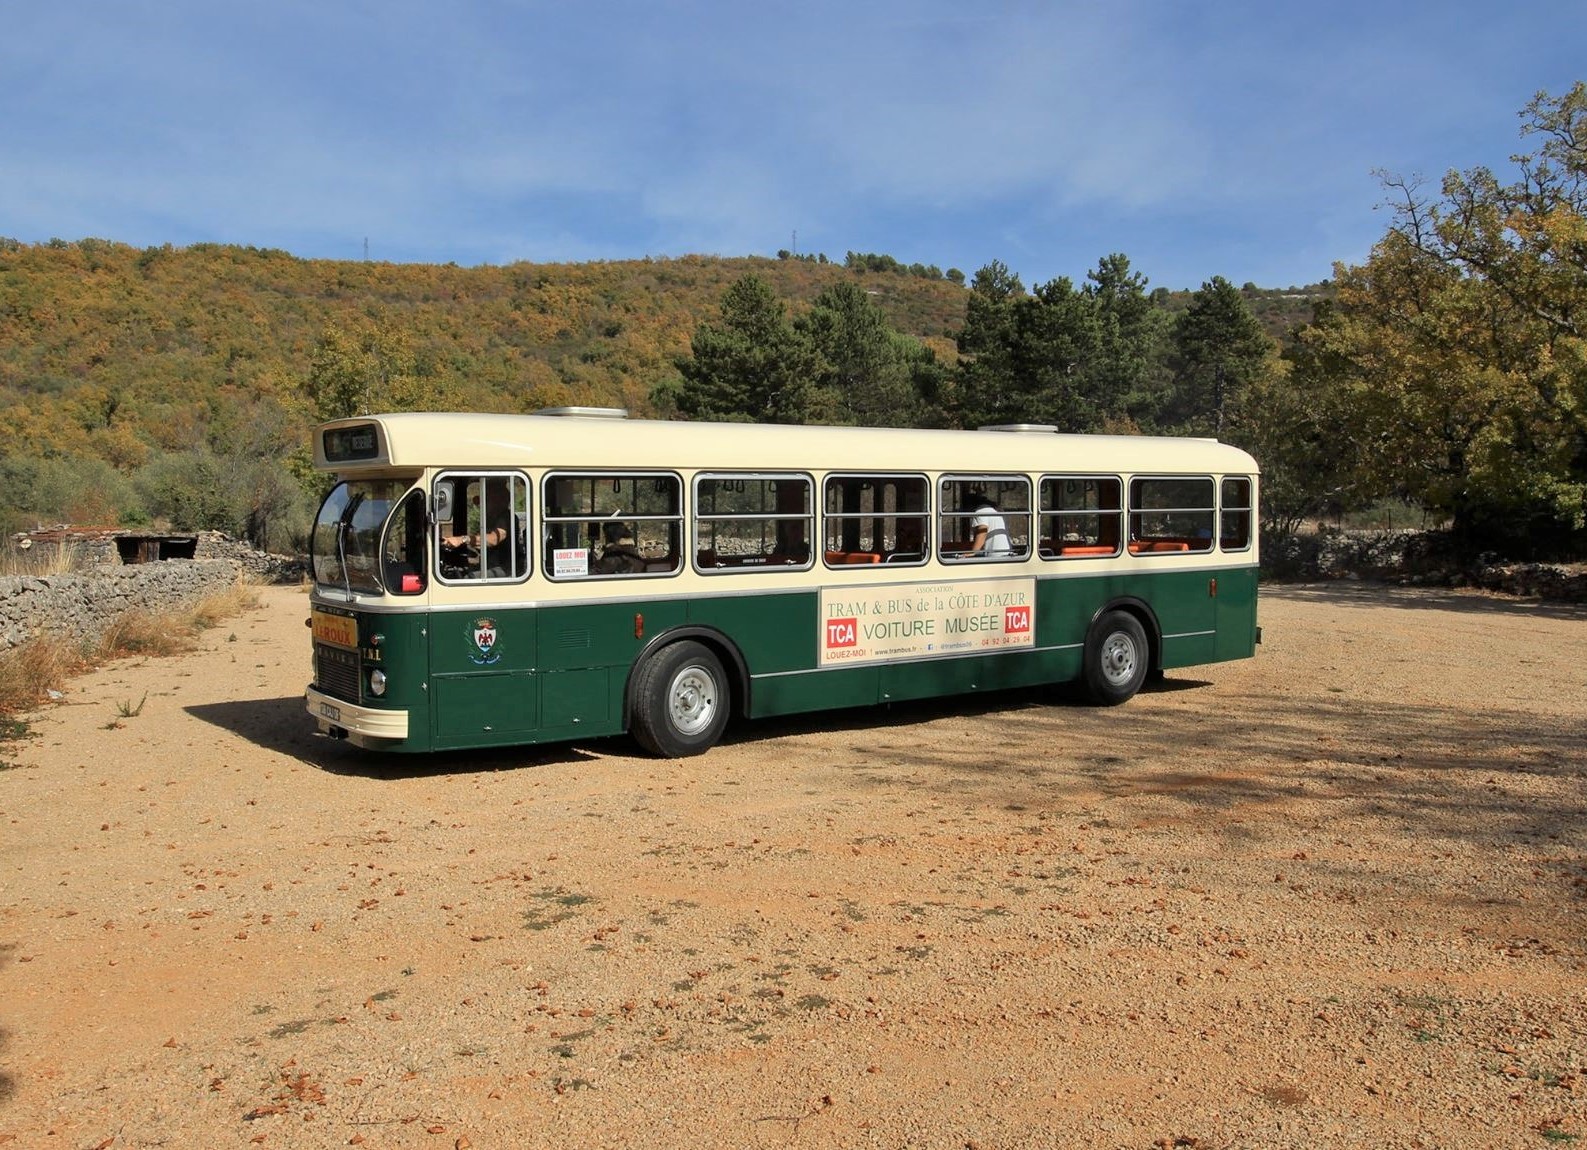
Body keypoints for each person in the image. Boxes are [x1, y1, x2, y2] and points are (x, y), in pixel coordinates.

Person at [444, 482, 514, 575]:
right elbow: (483, 542)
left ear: (500, 500)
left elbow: (493, 539)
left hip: (505, 569)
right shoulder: (492, 519)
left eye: (488, 498)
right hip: (491, 565)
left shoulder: (506, 517)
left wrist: (462, 539)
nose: (483, 504)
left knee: (468, 579)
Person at [965, 491, 1013, 556]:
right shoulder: (995, 510)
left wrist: (973, 552)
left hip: (995, 555)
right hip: (1007, 552)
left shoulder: (980, 511)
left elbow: (982, 533)